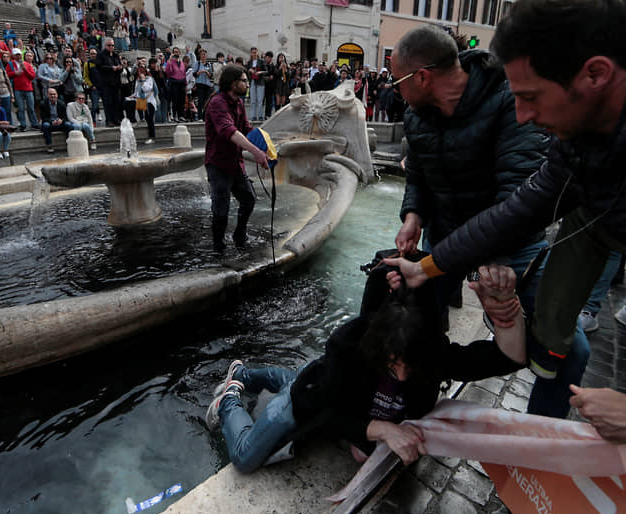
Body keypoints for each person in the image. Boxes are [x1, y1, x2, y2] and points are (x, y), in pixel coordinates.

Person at [385, 0, 626, 407]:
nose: (523, 115)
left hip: (507, 249)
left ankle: (535, 447)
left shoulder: (525, 118)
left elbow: (513, 204)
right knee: (410, 324)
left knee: (572, 350)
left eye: (530, 96)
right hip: (455, 239)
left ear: (597, 75)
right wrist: (421, 246)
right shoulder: (575, 146)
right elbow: (518, 209)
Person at [207, 261, 526, 473]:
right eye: (393, 365)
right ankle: (231, 395)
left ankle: (250, 374)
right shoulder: (348, 346)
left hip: (321, 379)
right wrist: (382, 429)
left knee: (306, 377)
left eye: (410, 368)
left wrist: (503, 315)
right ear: (377, 346)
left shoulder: (431, 353)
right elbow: (327, 413)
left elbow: (507, 358)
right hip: (311, 399)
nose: (402, 376)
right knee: (246, 457)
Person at [204, 64, 269, 252]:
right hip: (218, 165)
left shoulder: (239, 103)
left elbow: (245, 128)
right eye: (244, 81)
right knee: (221, 211)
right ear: (233, 83)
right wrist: (256, 152)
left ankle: (239, 235)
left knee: (249, 199)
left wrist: (265, 143)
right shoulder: (217, 103)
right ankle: (218, 247)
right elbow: (230, 131)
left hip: (235, 164)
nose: (248, 84)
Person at [6, 48, 39, 131]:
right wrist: (15, 73)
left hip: (28, 88)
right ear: (13, 56)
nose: (18, 56)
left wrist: (25, 69)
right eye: (16, 55)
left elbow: (32, 76)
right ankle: (23, 124)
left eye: (19, 54)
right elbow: (7, 74)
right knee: (20, 108)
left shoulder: (27, 64)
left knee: (31, 107)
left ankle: (34, 123)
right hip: (17, 88)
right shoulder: (10, 64)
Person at [94, 37, 120, 127]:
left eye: (112, 45)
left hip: (115, 82)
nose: (111, 47)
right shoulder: (101, 55)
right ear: (105, 46)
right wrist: (111, 68)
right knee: (107, 102)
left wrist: (119, 68)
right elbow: (99, 67)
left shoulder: (116, 55)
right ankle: (108, 120)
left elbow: (119, 65)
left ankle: (116, 119)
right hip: (106, 83)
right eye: (109, 45)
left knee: (116, 102)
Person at [39, 86, 72, 153]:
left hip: (60, 122)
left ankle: (69, 143)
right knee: (45, 125)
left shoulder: (62, 103)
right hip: (50, 123)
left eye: (54, 94)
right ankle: (49, 145)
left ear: (57, 95)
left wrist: (61, 120)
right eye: (51, 94)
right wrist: (51, 122)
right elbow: (43, 117)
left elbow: (65, 116)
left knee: (68, 125)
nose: (53, 96)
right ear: (47, 95)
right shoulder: (43, 103)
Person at [133, 64, 157, 144]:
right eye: (138, 73)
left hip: (150, 101)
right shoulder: (137, 80)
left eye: (141, 72)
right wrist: (133, 96)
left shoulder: (149, 79)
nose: (139, 74)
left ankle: (152, 137)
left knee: (150, 119)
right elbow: (137, 91)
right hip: (143, 101)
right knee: (147, 118)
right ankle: (150, 136)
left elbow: (147, 89)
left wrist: (143, 81)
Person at [165, 46, 186, 123]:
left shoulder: (181, 62)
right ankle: (174, 115)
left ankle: (181, 115)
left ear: (179, 53)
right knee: (175, 100)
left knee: (181, 100)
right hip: (174, 82)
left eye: (177, 52)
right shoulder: (171, 62)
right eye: (174, 52)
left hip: (181, 83)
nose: (176, 53)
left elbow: (184, 73)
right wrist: (170, 60)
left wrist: (185, 84)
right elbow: (168, 72)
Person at [245, 47, 266, 122]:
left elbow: (266, 71)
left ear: (257, 53)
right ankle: (253, 116)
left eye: (255, 52)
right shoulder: (249, 62)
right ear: (251, 53)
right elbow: (246, 71)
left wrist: (260, 72)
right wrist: (249, 70)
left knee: (260, 100)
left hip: (260, 81)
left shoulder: (261, 61)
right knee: (253, 100)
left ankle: (260, 116)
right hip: (253, 81)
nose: (254, 54)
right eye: (252, 52)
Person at [193, 48, 212, 122]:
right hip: (200, 84)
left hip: (207, 85)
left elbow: (211, 76)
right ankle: (200, 116)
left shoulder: (209, 64)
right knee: (200, 101)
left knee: (207, 102)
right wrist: (200, 72)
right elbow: (194, 74)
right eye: (202, 54)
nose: (204, 56)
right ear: (200, 56)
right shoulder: (197, 64)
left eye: (205, 54)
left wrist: (207, 73)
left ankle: (205, 117)